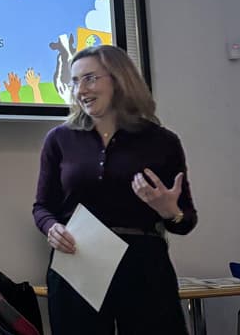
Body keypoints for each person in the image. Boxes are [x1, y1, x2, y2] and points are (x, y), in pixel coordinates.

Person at [32, 45, 197, 334]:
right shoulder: (59, 139)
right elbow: (42, 207)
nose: (81, 89)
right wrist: (52, 228)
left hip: (144, 264)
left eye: (90, 78)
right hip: (78, 261)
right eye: (75, 81)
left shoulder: (162, 141)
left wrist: (170, 211)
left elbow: (186, 221)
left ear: (120, 79)